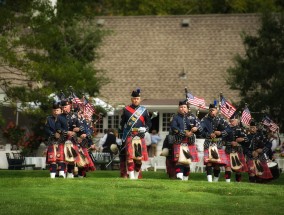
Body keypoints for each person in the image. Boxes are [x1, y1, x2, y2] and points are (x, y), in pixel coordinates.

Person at [119, 88, 152, 179]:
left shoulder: (144, 110)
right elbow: (122, 124)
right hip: (130, 135)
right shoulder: (126, 110)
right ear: (131, 99)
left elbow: (149, 123)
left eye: (137, 99)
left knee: (138, 159)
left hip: (140, 135)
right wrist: (122, 136)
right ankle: (131, 177)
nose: (135, 100)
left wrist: (145, 128)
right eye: (134, 99)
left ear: (140, 99)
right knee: (130, 157)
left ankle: (136, 175)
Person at [199, 103, 231, 182]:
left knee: (217, 164)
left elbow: (229, 129)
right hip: (208, 143)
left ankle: (215, 181)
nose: (211, 112)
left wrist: (221, 133)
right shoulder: (204, 120)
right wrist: (208, 135)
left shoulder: (221, 119)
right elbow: (201, 131)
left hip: (219, 144)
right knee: (209, 162)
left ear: (216, 110)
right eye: (210, 110)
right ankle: (209, 181)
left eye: (213, 110)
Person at [170, 100, 200, 180]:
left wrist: (196, 128)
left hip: (189, 141)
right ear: (178, 108)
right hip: (178, 141)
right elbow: (174, 128)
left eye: (184, 107)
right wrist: (184, 133)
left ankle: (185, 178)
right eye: (181, 107)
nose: (182, 108)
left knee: (187, 162)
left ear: (187, 108)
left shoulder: (192, 117)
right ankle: (179, 177)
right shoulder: (175, 117)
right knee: (179, 160)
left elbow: (199, 125)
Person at [55, 99, 82, 178]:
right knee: (62, 157)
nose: (64, 109)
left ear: (69, 106)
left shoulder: (74, 116)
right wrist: (66, 132)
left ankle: (70, 173)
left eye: (65, 107)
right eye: (63, 107)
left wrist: (78, 129)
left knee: (71, 158)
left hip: (73, 140)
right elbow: (58, 128)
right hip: (63, 139)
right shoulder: (59, 117)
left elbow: (80, 126)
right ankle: (62, 172)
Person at [223, 114, 248, 182]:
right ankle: (227, 182)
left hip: (238, 150)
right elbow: (222, 141)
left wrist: (241, 139)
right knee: (227, 167)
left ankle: (238, 183)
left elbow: (247, 139)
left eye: (234, 120)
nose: (233, 122)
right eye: (231, 121)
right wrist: (230, 143)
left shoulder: (241, 129)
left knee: (238, 168)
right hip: (228, 150)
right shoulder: (226, 130)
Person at [44, 102, 63, 178]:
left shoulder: (64, 119)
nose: (56, 112)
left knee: (61, 158)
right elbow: (46, 129)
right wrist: (53, 134)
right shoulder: (49, 119)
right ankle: (53, 175)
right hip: (52, 140)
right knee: (53, 158)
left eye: (57, 110)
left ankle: (62, 174)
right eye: (54, 110)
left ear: (61, 110)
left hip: (62, 140)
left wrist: (61, 134)